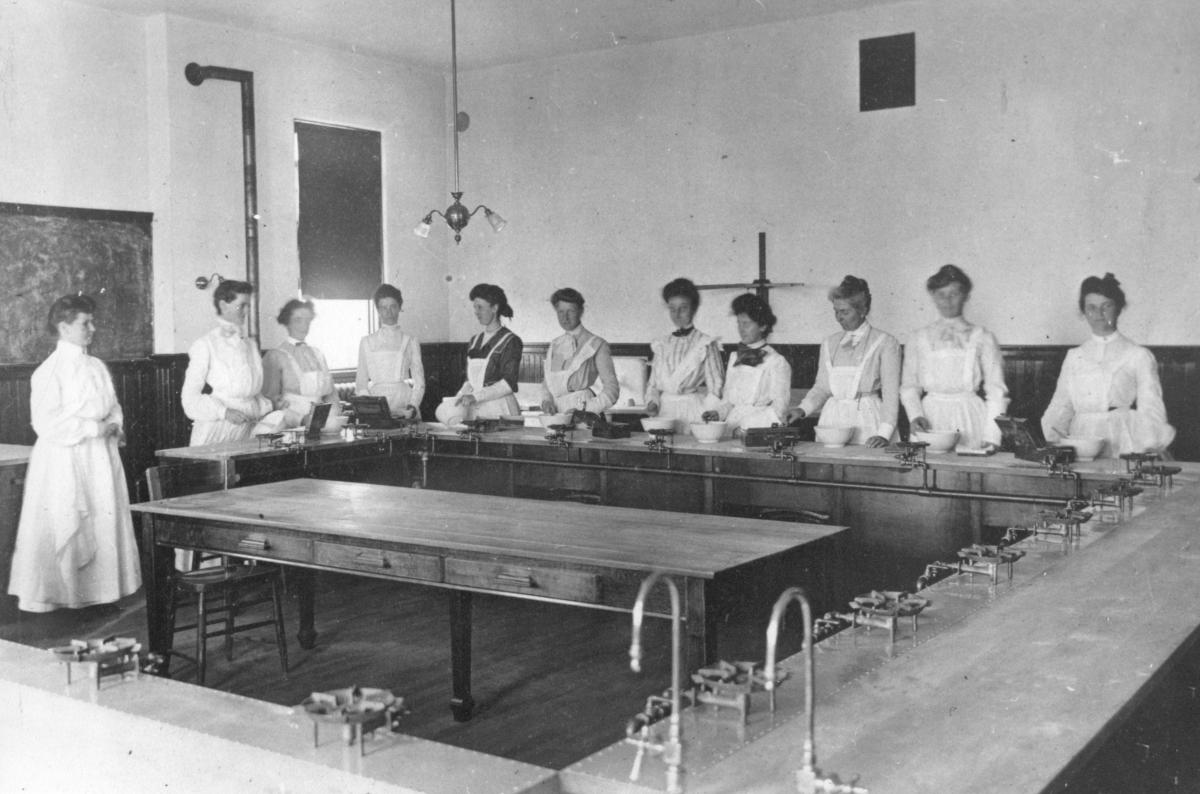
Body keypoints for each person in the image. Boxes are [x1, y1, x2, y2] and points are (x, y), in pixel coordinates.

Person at [7, 295, 141, 612]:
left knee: (101, 517)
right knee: (67, 519)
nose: (92, 328)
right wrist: (94, 429)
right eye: (85, 323)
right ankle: (62, 599)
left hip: (100, 458)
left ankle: (99, 595)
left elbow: (112, 405)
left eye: (92, 321)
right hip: (65, 458)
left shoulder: (95, 366)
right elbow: (47, 422)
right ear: (64, 327)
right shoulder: (49, 371)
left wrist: (114, 424)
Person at [1041, 273, 1174, 457]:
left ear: (1118, 308)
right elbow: (1061, 403)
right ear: (1083, 311)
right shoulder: (1075, 357)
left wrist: (1151, 444)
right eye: (1092, 307)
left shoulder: (1138, 355)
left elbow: (1151, 404)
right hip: (1081, 438)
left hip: (1121, 437)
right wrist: (1051, 438)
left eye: (1106, 306)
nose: (1099, 314)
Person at [900, 265, 1008, 450]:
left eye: (954, 294)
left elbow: (996, 390)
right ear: (933, 296)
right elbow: (909, 387)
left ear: (965, 295)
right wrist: (915, 416)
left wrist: (992, 436)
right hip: (929, 417)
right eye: (941, 295)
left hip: (970, 416)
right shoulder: (919, 337)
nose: (947, 301)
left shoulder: (983, 337)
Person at [790, 275, 900, 448]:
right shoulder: (829, 343)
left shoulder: (885, 342)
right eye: (836, 311)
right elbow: (822, 388)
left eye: (845, 312)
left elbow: (891, 395)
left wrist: (884, 433)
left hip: (868, 421)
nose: (838, 317)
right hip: (833, 420)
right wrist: (802, 409)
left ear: (863, 310)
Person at [181, 279, 273, 445]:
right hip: (215, 432)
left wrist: (270, 405)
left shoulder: (250, 344)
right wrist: (223, 412)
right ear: (223, 305)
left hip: (246, 430)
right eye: (242, 305)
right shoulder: (206, 344)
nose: (247, 311)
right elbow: (189, 399)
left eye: (248, 306)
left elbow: (250, 391)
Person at [703, 293, 790, 437]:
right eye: (739, 323)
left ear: (763, 326)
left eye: (746, 324)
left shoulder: (777, 361)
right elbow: (729, 402)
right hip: (730, 427)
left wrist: (746, 429)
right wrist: (717, 413)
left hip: (757, 431)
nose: (741, 329)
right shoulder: (734, 357)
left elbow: (779, 410)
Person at [644, 278, 725, 434]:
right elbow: (653, 383)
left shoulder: (705, 343)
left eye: (683, 308)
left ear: (693, 309)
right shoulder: (662, 343)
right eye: (672, 309)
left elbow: (716, 385)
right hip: (665, 411)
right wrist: (652, 402)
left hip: (691, 410)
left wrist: (708, 412)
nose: (677, 314)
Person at [436, 284, 523, 424]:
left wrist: (476, 397)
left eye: (480, 307)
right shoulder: (474, 340)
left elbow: (508, 383)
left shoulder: (511, 341)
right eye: (475, 307)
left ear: (495, 308)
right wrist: (457, 398)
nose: (476, 312)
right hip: (475, 409)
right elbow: (470, 381)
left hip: (500, 410)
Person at [260, 298, 340, 431]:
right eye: (298, 320)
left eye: (307, 320)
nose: (304, 325)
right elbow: (270, 402)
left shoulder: (318, 354)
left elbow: (331, 393)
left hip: (322, 422)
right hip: (291, 425)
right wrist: (300, 419)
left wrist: (334, 414)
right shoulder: (275, 356)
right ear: (287, 322)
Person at [539, 288, 619, 414]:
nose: (565, 317)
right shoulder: (556, 344)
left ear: (581, 311)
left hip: (583, 414)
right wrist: (546, 401)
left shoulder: (596, 344)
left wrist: (586, 410)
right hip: (556, 414)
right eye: (560, 312)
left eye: (570, 311)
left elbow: (612, 389)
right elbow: (550, 382)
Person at [356, 284, 425, 419]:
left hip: (404, 402)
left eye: (393, 306)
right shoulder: (367, 342)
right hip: (377, 403)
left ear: (399, 308)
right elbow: (361, 383)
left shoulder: (410, 341)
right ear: (378, 310)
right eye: (383, 308)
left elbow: (419, 381)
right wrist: (372, 408)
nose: (389, 312)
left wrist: (413, 405)